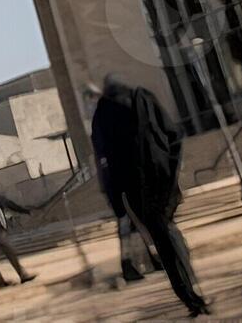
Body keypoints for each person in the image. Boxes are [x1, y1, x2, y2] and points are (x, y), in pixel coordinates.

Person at [89, 76, 210, 317]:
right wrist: (172, 168)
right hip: (161, 178)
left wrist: (116, 200)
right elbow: (173, 134)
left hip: (137, 187)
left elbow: (104, 161)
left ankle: (189, 294)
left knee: (163, 237)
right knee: (168, 232)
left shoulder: (103, 115)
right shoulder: (143, 98)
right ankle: (191, 290)